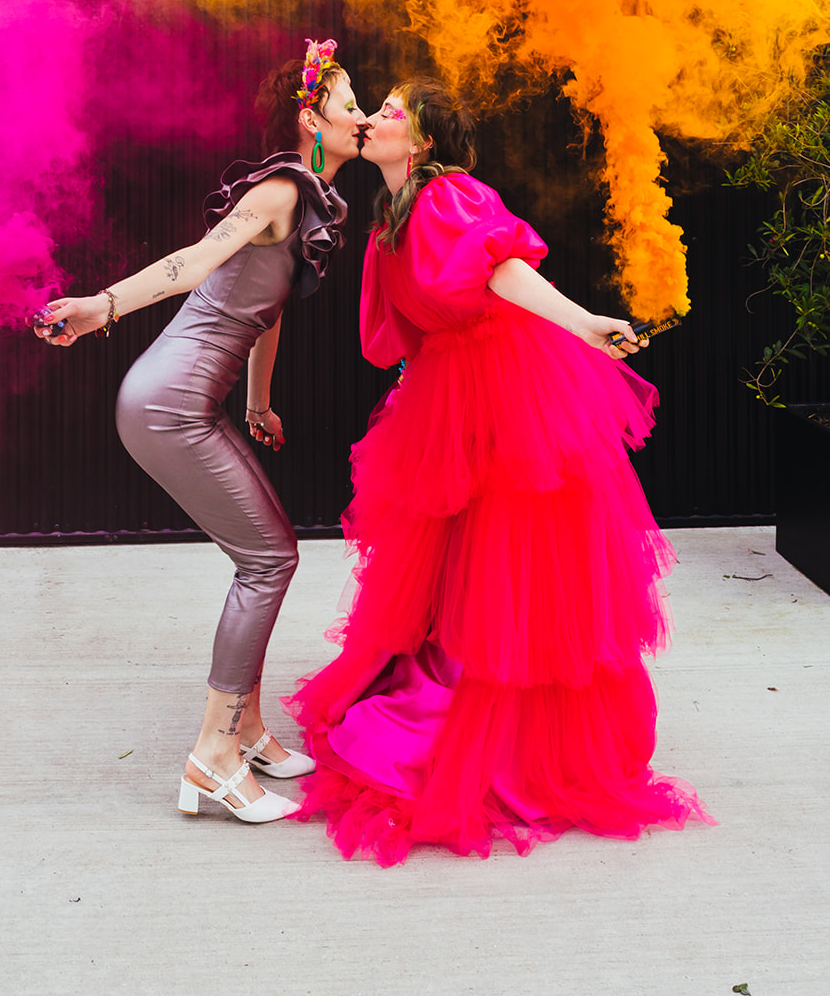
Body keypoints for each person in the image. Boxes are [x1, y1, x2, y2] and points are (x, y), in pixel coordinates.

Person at [287, 77, 712, 864]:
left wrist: (584, 324)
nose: (374, 117)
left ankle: (519, 734)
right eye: (372, 106)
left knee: (513, 556)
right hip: (453, 386)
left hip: (508, 385)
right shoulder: (391, 214)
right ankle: (452, 684)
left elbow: (499, 271)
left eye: (390, 111)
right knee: (458, 555)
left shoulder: (446, 196)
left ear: (422, 142)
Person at [34, 41, 365, 825]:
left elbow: (262, 310)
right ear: (310, 114)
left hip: (190, 400)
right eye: (350, 102)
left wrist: (257, 401)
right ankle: (212, 756)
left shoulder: (306, 198)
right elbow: (195, 261)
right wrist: (101, 308)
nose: (361, 115)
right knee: (269, 559)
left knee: (264, 556)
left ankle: (247, 732)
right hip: (168, 403)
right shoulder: (283, 188)